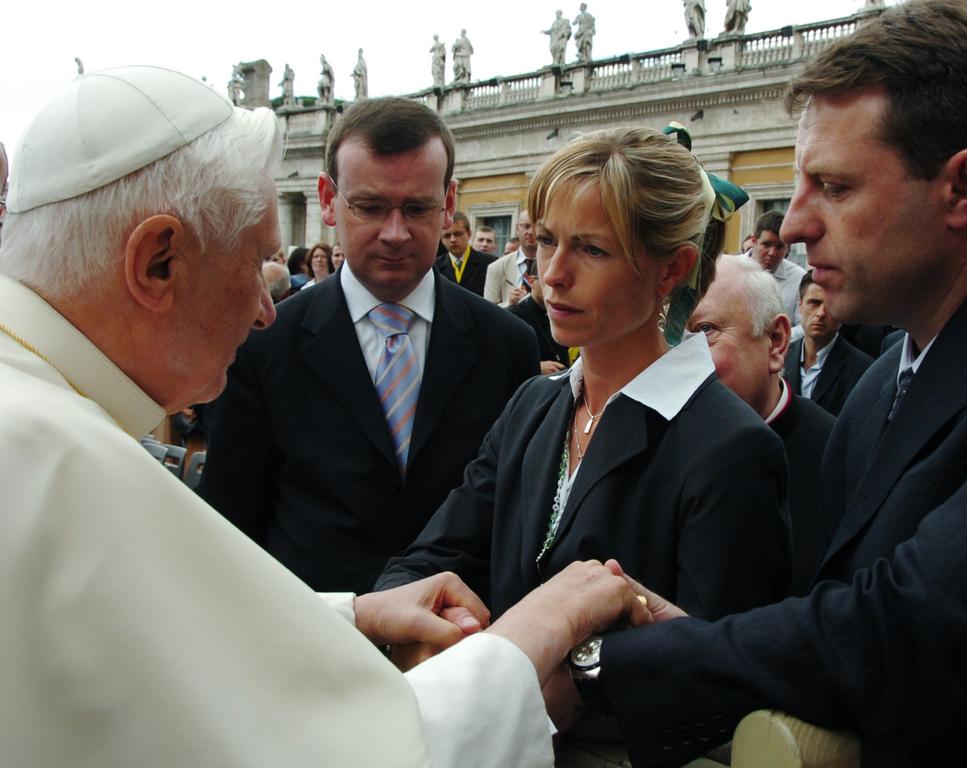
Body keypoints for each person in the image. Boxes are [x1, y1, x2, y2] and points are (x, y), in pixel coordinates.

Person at [0, 63, 654, 768]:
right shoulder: (54, 459)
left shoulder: (45, 429)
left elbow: (184, 624)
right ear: (157, 262)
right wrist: (541, 627)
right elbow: (365, 750)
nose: (261, 307)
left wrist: (356, 613)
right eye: (253, 264)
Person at [571, 2, 967, 765]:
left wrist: (600, 663)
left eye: (835, 187)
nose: (797, 224)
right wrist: (689, 643)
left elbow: (898, 635)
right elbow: (831, 622)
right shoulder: (880, 391)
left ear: (964, 187)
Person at [377, 127, 790, 699]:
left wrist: (561, 669)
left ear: (672, 269)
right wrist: (426, 626)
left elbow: (714, 671)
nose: (553, 273)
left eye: (592, 249)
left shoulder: (730, 447)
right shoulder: (534, 404)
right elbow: (431, 555)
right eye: (547, 241)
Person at [199, 97, 539, 595]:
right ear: (328, 200)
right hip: (310, 645)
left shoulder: (507, 344)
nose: (395, 233)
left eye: (417, 208)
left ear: (448, 204)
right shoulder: (261, 345)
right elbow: (229, 527)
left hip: (461, 645)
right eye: (371, 207)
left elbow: (513, 521)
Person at [689, 254, 835, 595]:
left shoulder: (837, 453)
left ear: (775, 341)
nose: (682, 360)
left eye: (705, 331)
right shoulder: (659, 442)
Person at [783, 270, 872, 416]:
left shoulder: (863, 370)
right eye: (814, 303)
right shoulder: (781, 359)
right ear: (800, 305)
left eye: (830, 305)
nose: (821, 313)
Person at [507, 257, 571, 374]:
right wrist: (535, 367)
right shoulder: (512, 318)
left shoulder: (567, 314)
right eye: (548, 280)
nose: (556, 287)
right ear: (531, 281)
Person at [748, 209, 806, 325]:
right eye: (767, 244)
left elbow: (804, 325)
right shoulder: (729, 269)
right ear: (754, 241)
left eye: (779, 247)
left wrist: (778, 341)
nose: (772, 253)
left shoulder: (799, 278)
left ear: (788, 248)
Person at [484, 210, 537, 306]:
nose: (531, 232)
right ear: (517, 229)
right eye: (526, 226)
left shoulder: (553, 264)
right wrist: (509, 304)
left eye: (536, 226)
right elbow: (488, 310)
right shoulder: (496, 267)